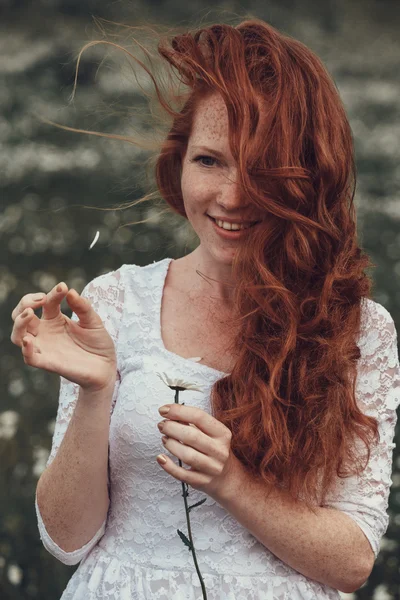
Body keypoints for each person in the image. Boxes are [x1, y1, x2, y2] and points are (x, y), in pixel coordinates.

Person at [10, 17, 400, 600]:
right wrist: (96, 391)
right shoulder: (115, 300)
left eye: (263, 170)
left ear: (307, 178)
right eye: (209, 161)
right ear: (179, 161)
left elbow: (352, 562)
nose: (232, 197)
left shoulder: (358, 327)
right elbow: (66, 541)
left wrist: (233, 483)